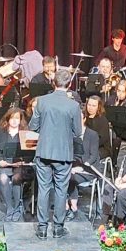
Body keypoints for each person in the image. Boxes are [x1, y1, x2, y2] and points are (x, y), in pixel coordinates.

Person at [29, 69, 82, 240]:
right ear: (70, 84)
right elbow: (77, 132)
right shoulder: (73, 105)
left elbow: (32, 127)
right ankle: (58, 228)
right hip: (63, 154)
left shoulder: (42, 101)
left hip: (44, 151)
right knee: (61, 190)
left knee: (43, 189)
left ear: (53, 82)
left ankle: (42, 228)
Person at [0, 107, 34, 221]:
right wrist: (0, 161)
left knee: (17, 177)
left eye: (17, 118)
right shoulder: (2, 132)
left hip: (20, 164)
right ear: (8, 119)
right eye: (12, 118)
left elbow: (30, 153)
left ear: (20, 119)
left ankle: (17, 208)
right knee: (3, 177)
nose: (14, 120)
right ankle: (10, 208)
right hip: (5, 163)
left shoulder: (26, 132)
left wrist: (23, 161)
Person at [65, 120, 100, 221]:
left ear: (84, 119)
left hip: (89, 169)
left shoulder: (92, 134)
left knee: (72, 178)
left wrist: (82, 167)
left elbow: (93, 156)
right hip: (74, 166)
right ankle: (65, 204)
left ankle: (73, 207)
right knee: (63, 175)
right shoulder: (70, 133)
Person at [84, 95, 112, 161]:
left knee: (88, 155)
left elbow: (102, 139)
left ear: (98, 107)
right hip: (85, 145)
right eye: (89, 105)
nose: (90, 108)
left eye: (93, 106)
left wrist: (89, 146)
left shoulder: (102, 120)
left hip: (101, 148)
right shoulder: (84, 117)